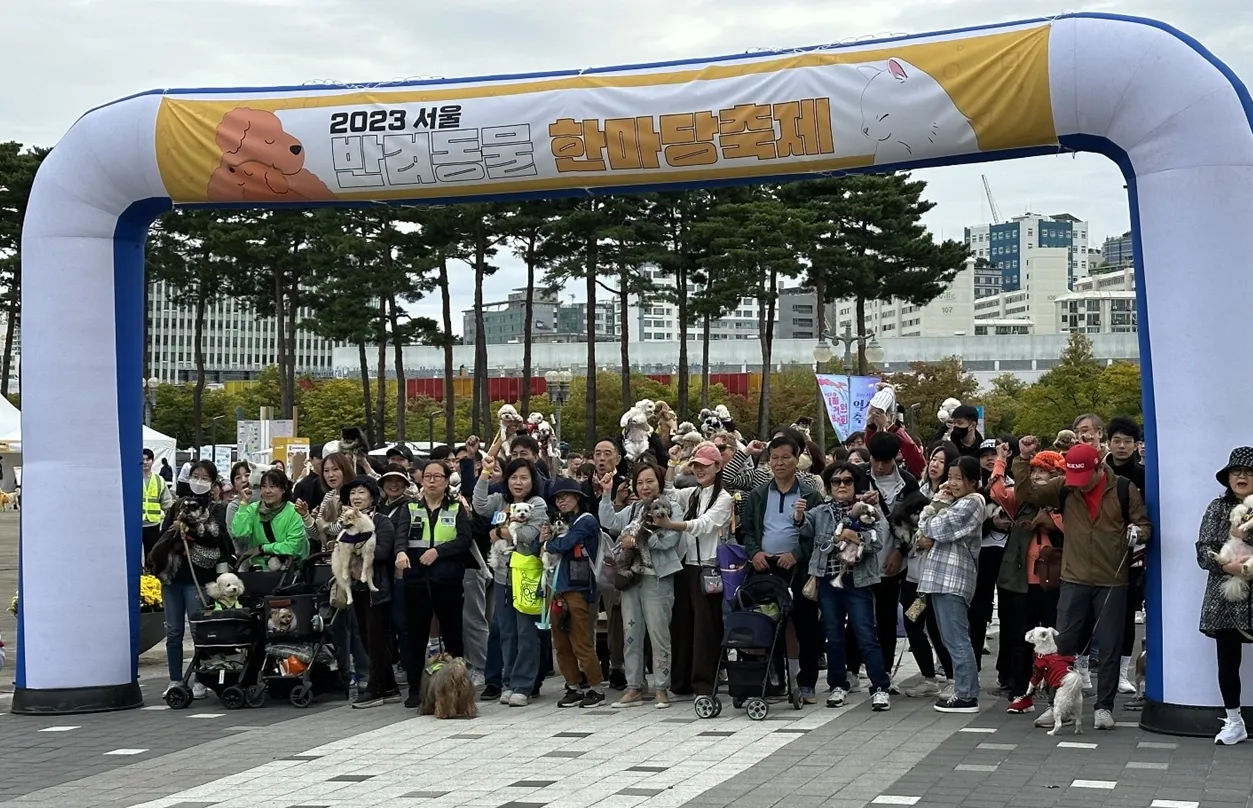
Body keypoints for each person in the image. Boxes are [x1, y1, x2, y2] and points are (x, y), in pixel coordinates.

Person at [1013, 437, 1151, 731]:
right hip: (1073, 577)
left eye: (1084, 477)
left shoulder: (1124, 489)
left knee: (1111, 646)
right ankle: (1055, 706)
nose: (1079, 484)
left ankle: (1104, 707)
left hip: (1112, 578)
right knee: (1060, 646)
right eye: (1074, 477)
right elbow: (1027, 495)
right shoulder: (1065, 485)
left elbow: (1145, 525)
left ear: (1100, 467)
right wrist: (1023, 460)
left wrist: (1136, 532)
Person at [799, 462, 891, 711]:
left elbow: (878, 542)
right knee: (833, 636)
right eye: (836, 482)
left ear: (855, 484)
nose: (842, 485)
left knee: (866, 634)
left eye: (847, 481)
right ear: (828, 486)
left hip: (858, 580)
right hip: (828, 581)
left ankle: (880, 687)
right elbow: (804, 529)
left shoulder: (867, 509)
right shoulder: (820, 511)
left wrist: (856, 537)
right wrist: (798, 516)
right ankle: (838, 685)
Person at [742, 435, 825, 704]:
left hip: (797, 570)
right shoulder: (758, 494)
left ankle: (808, 682)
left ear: (797, 458)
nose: (779, 463)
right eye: (774, 458)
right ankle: (774, 679)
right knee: (768, 623)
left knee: (806, 625)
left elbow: (819, 535)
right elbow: (748, 530)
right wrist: (754, 553)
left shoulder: (810, 495)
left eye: (785, 457)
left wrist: (797, 554)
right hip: (766, 567)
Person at [989, 446, 1066, 713]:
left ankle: (1057, 690)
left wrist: (1050, 519)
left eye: (1044, 473)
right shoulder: (1020, 501)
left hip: (1053, 584)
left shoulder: (1065, 504)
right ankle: (1021, 692)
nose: (1036, 477)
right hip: (1019, 583)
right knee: (1020, 640)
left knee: (1055, 640)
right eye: (1033, 471)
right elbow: (998, 492)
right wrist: (1002, 461)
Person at [601, 460, 683, 708]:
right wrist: (606, 494)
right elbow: (610, 522)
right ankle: (634, 686)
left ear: (659, 481)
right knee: (631, 634)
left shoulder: (672, 507)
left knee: (659, 634)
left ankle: (662, 687)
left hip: (658, 578)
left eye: (650, 481)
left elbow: (669, 540)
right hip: (631, 579)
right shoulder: (633, 509)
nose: (645, 487)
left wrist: (637, 542)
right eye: (640, 482)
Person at [657, 442, 733, 698]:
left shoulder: (724, 498)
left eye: (704, 466)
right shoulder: (693, 493)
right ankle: (681, 681)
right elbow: (667, 492)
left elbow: (705, 524)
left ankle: (704, 684)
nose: (699, 470)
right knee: (682, 626)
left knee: (705, 629)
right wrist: (672, 463)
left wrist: (671, 525)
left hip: (708, 568)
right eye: (696, 466)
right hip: (686, 566)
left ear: (718, 466)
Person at [395, 458, 473, 707]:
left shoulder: (456, 508)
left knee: (452, 634)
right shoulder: (410, 508)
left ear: (446, 480)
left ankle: (458, 685)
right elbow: (400, 535)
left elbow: (464, 539)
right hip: (416, 580)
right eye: (427, 476)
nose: (431, 481)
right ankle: (416, 689)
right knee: (415, 635)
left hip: (447, 580)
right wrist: (400, 552)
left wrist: (439, 551)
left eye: (437, 476)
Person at [151, 460, 232, 700]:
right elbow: (163, 537)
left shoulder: (216, 509)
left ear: (213, 481)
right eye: (195, 475)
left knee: (200, 631)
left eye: (204, 477)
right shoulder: (177, 506)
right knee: (174, 631)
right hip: (173, 577)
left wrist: (193, 532)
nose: (199, 481)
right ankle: (176, 679)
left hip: (199, 577)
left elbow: (218, 539)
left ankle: (200, 677)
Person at [473, 454, 549, 707]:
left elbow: (528, 534)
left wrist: (498, 531)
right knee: (506, 632)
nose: (518, 483)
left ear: (532, 481)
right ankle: (507, 681)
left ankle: (523, 684)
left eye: (524, 478)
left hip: (527, 575)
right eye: (514, 477)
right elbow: (479, 504)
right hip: (503, 576)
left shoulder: (537, 504)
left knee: (526, 631)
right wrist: (484, 473)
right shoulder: (500, 501)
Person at [917, 456, 985, 713]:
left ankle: (967, 694)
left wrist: (936, 505)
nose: (953, 483)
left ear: (973, 481)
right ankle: (963, 690)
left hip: (954, 579)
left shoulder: (973, 501)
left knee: (957, 639)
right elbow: (923, 532)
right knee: (949, 638)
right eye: (951, 477)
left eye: (959, 478)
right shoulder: (957, 502)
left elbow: (935, 528)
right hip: (940, 578)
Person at [854, 431, 919, 693]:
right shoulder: (858, 475)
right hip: (860, 559)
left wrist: (899, 552)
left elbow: (914, 523)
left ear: (896, 458)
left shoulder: (908, 482)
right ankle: (851, 670)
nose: (879, 467)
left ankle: (885, 673)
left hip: (893, 560)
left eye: (885, 461)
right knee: (857, 617)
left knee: (886, 618)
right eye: (875, 461)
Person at [1196, 447, 1253, 745]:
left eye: (1248, 472)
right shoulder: (1216, 508)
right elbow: (1203, 549)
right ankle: (1234, 720)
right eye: (1236, 471)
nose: (1241, 477)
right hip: (1226, 596)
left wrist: (1246, 537)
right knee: (1227, 660)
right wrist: (1226, 564)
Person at [336, 476, 401, 709]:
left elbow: (383, 553)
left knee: (375, 638)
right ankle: (390, 686)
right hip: (355, 588)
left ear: (372, 497)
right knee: (366, 637)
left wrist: (355, 549)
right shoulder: (345, 523)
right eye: (353, 493)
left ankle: (374, 688)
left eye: (362, 492)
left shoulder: (381, 522)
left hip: (377, 588)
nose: (356, 497)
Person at [896, 442, 955, 699]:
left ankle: (953, 677)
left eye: (941, 461)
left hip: (938, 572)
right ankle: (928, 677)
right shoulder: (916, 490)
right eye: (933, 458)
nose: (934, 464)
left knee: (937, 627)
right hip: (913, 570)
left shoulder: (953, 497)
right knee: (912, 623)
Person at [547, 478, 607, 708]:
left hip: (579, 589)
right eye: (558, 498)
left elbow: (561, 545)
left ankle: (596, 687)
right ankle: (572, 685)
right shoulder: (564, 522)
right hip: (557, 589)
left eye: (566, 496)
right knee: (560, 644)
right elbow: (537, 546)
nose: (561, 501)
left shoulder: (586, 521)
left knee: (581, 642)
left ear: (578, 498)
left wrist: (549, 542)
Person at [583, 438, 630, 690]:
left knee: (616, 614)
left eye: (607, 454)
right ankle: (587, 666)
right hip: (587, 559)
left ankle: (617, 666)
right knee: (587, 612)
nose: (601, 459)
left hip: (615, 557)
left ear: (618, 459)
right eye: (597, 453)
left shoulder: (626, 486)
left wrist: (617, 502)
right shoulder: (583, 487)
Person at [1106, 416, 1147, 696]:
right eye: (1117, 441)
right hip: (1096, 551)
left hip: (1131, 554)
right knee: (1087, 614)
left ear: (1136, 445)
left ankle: (1122, 673)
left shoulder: (1145, 475)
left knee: (1126, 614)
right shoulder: (1097, 470)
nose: (1122, 446)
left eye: (1127, 441)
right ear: (1108, 442)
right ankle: (1083, 671)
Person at [231, 468, 309, 563]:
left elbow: (293, 547)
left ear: (283, 489)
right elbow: (239, 533)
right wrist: (243, 503)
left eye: (272, 486)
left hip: (289, 569)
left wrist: (262, 549)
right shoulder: (253, 509)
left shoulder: (294, 511)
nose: (267, 491)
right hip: (259, 569)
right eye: (264, 486)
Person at [142, 449, 176, 561]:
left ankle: (150, 575)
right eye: (143, 459)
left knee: (151, 554)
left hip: (152, 524)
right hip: (134, 524)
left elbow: (167, 503)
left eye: (148, 459)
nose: (145, 462)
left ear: (152, 461)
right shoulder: (131, 479)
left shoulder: (159, 480)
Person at [292, 444, 326, 511]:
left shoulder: (334, 481)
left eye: (326, 457)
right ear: (311, 459)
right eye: (320, 457)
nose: (323, 461)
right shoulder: (302, 485)